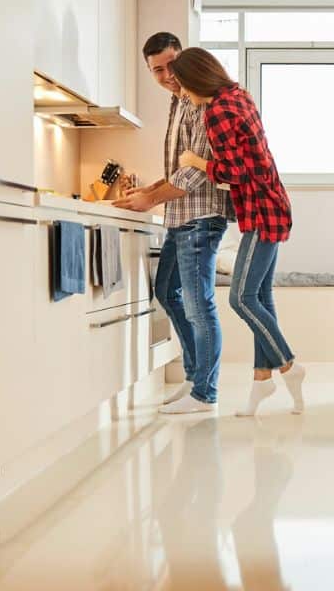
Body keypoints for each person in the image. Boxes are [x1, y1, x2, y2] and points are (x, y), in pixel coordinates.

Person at [171, 47, 305, 417]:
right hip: (270, 205)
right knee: (261, 295)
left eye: (182, 85)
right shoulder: (238, 96)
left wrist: (194, 160)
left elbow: (235, 172)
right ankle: (263, 379)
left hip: (262, 211)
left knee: (240, 298)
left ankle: (290, 365)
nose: (182, 93)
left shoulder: (217, 110)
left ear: (195, 79)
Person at [115, 34, 232, 414]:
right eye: (158, 70)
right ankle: (195, 378)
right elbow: (178, 169)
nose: (167, 75)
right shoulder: (178, 102)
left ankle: (205, 393)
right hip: (181, 217)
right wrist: (148, 190)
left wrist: (149, 198)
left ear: (185, 59)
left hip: (200, 216)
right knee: (167, 291)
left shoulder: (200, 101)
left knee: (200, 305)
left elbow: (196, 171)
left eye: (171, 65)